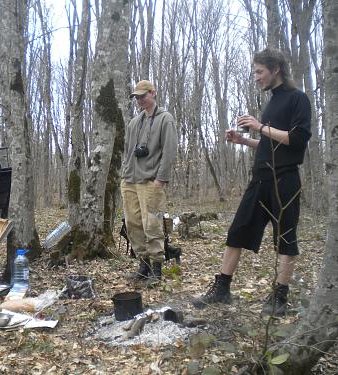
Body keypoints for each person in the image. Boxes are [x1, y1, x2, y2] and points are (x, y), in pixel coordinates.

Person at [192, 48, 311, 316]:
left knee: (285, 238)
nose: (255, 77)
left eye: (259, 71)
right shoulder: (271, 102)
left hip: (285, 181)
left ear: (275, 70)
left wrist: (258, 126)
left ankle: (280, 296)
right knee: (237, 231)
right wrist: (244, 140)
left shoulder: (297, 99)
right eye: (254, 72)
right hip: (260, 180)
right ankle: (222, 289)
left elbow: (298, 139)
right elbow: (271, 143)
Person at [121, 80, 178, 287]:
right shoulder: (134, 122)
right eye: (136, 97)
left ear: (153, 93)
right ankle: (143, 266)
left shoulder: (165, 119)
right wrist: (125, 175)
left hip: (151, 182)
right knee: (133, 224)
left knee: (151, 224)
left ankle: (156, 269)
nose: (139, 100)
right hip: (130, 180)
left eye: (143, 96)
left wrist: (160, 179)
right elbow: (128, 150)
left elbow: (169, 151)